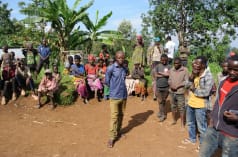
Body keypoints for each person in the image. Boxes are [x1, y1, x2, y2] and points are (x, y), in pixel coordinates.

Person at [199, 55, 238, 157]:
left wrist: (236, 118)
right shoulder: (223, 81)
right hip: (213, 129)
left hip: (232, 134)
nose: (232, 72)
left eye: (236, 70)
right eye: (230, 69)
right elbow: (218, 101)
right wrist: (212, 118)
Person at [182, 56, 214, 150]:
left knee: (201, 127)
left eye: (197, 63)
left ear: (203, 65)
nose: (194, 64)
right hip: (190, 102)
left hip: (201, 105)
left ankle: (202, 145)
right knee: (190, 123)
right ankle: (192, 139)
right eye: (194, 63)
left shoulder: (208, 76)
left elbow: (206, 92)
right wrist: (192, 76)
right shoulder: (195, 73)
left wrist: (193, 89)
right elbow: (186, 85)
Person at [105, 51, 128, 148]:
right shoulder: (111, 68)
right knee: (114, 117)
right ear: (116, 58)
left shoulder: (124, 68)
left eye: (122, 58)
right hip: (114, 96)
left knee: (121, 115)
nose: (121, 60)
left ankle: (118, 132)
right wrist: (113, 89)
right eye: (119, 58)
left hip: (123, 96)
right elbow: (106, 81)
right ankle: (111, 137)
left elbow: (124, 77)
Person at [168, 57, 189, 127]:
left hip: (180, 92)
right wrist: (171, 85)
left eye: (177, 63)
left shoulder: (185, 70)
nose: (175, 64)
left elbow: (187, 81)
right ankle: (174, 120)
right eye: (174, 63)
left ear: (180, 63)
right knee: (172, 106)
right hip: (171, 91)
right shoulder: (171, 70)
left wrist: (179, 85)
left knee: (181, 107)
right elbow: (169, 80)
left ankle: (182, 124)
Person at [155, 54, 171, 122]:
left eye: (165, 60)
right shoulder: (158, 66)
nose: (164, 61)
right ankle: (162, 115)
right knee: (160, 101)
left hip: (166, 87)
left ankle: (160, 111)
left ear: (167, 60)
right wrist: (164, 75)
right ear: (160, 60)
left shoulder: (169, 66)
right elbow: (155, 75)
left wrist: (161, 74)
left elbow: (169, 74)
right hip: (158, 87)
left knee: (163, 101)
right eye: (162, 60)